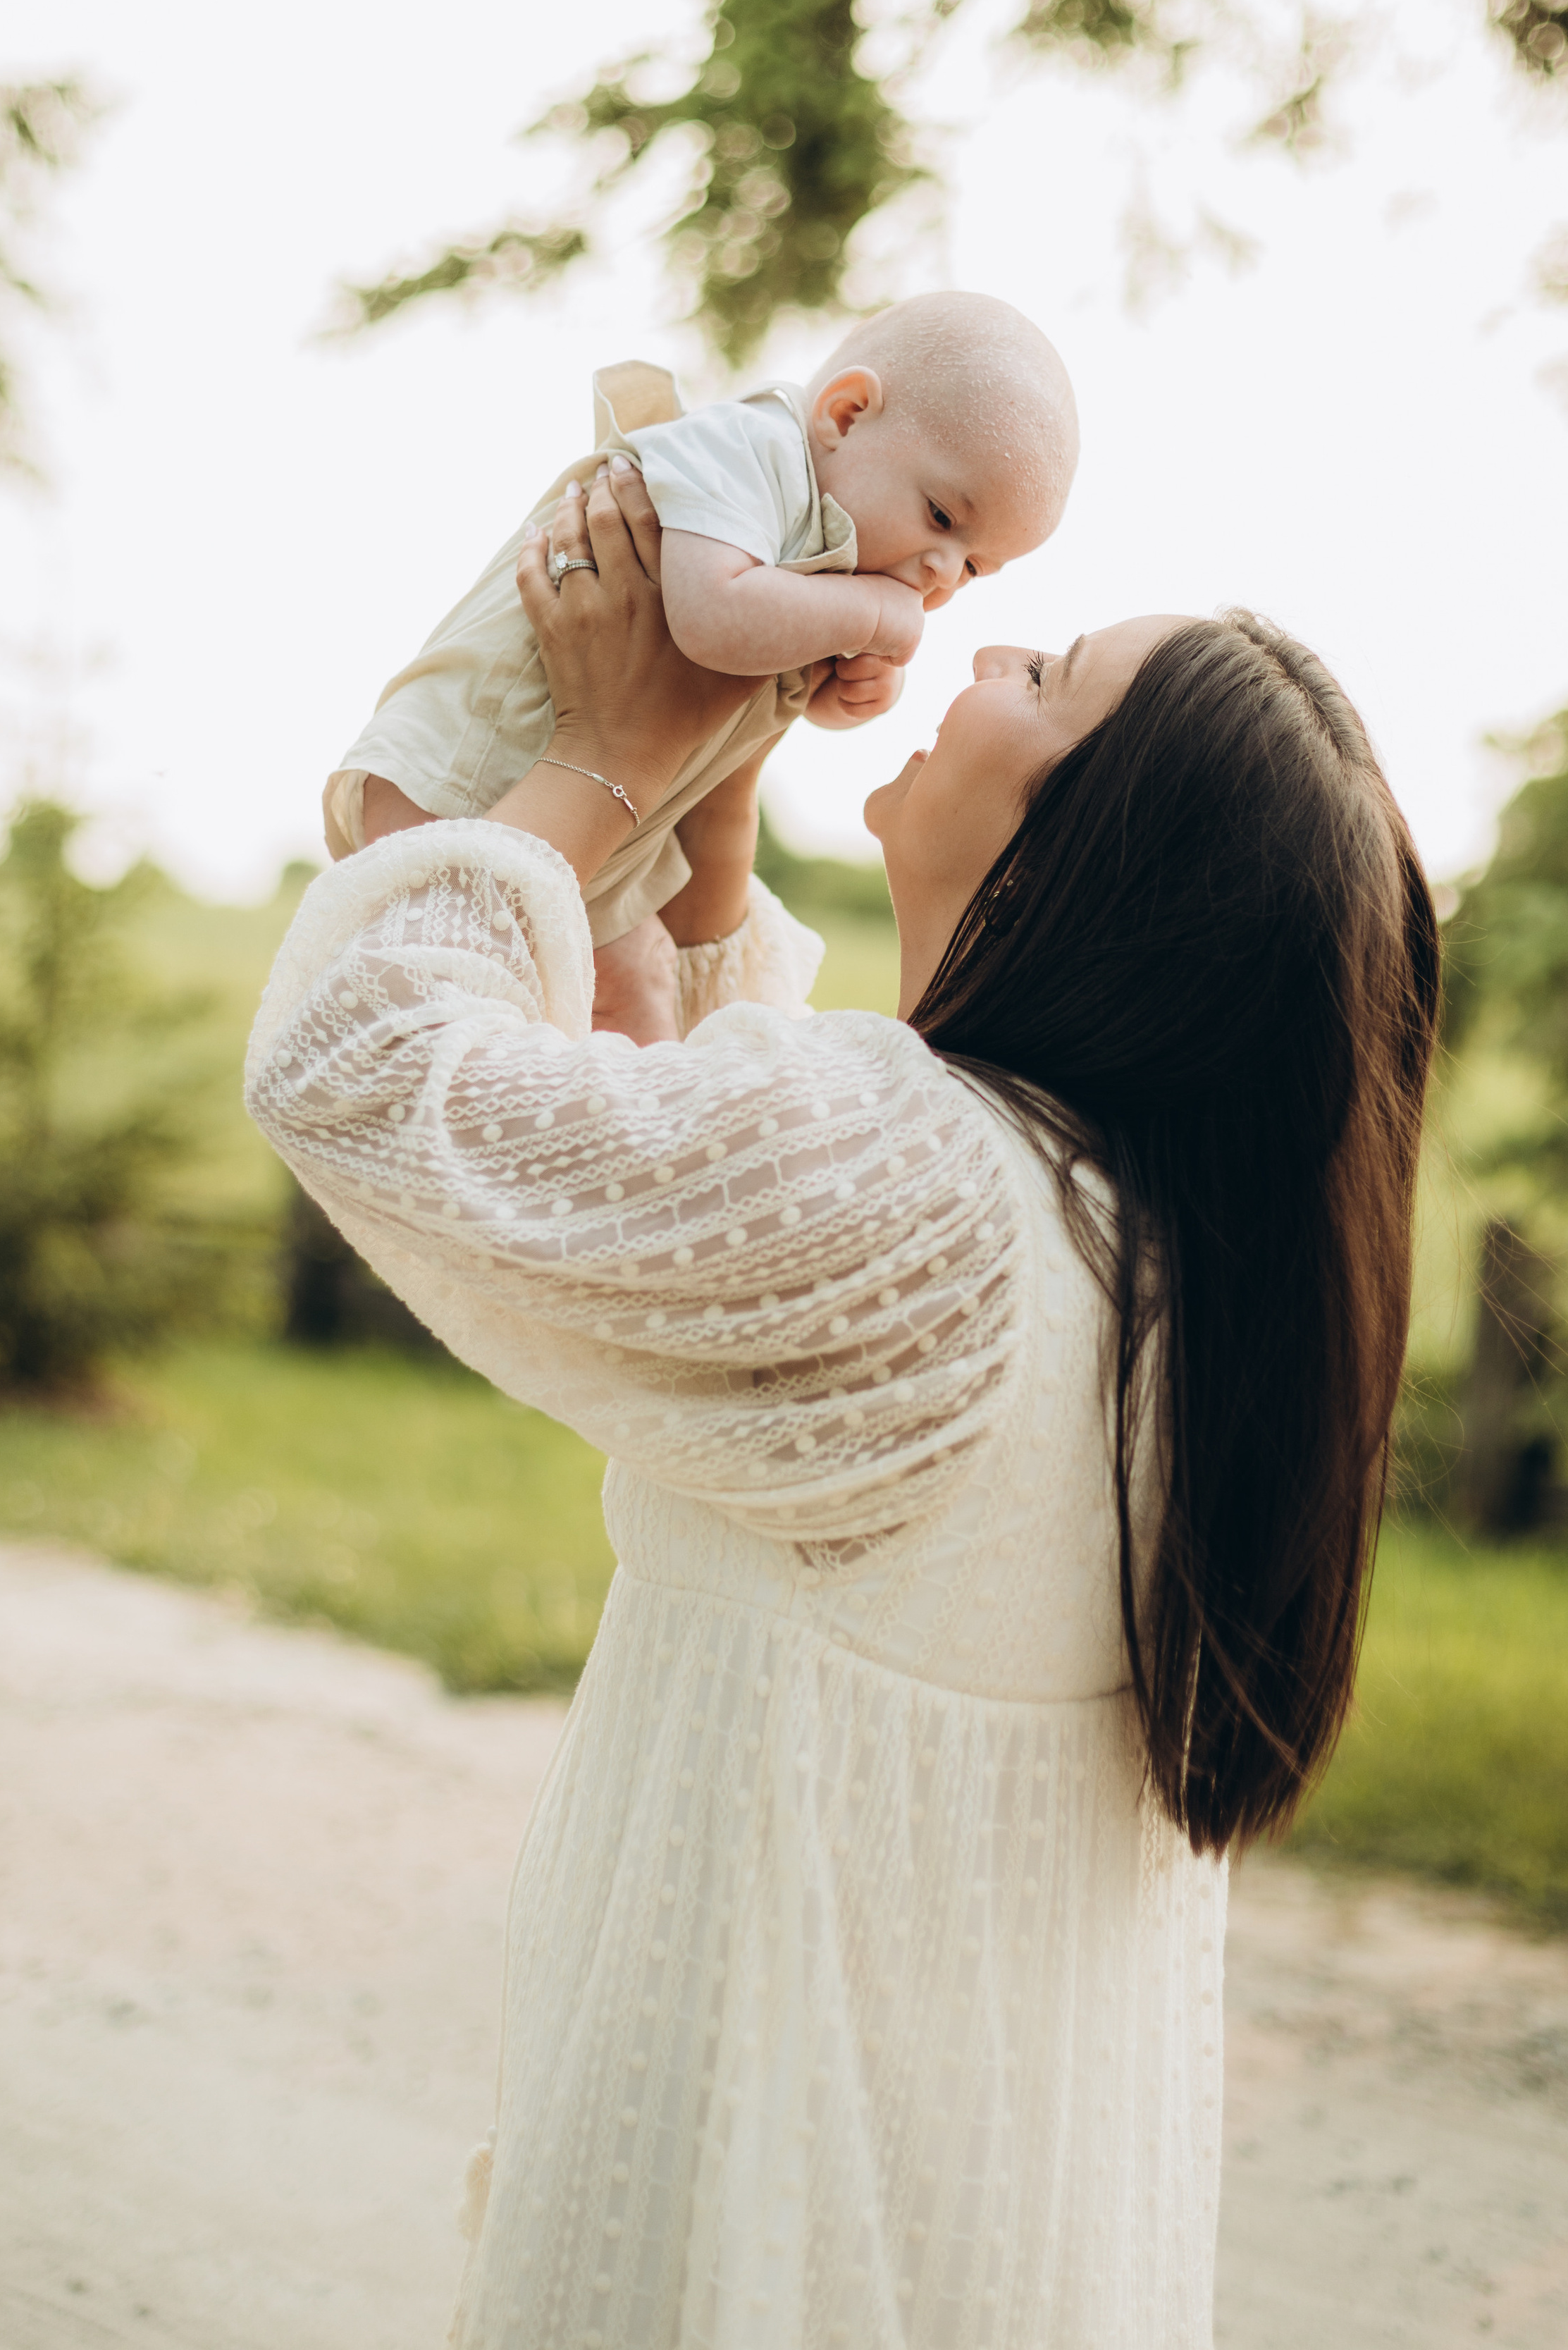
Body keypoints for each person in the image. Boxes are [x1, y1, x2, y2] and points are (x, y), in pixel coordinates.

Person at [247, 462, 1438, 2349]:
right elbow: (725, 1179)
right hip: (949, 2217)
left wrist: (606, 761)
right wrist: (710, 850)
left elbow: (371, 1072)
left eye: (1044, 674)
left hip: (749, 2218)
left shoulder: (929, 1201)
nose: (977, 657)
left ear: (1090, 858)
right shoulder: (1139, 1258)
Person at [320, 293, 1079, 1043]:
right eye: (942, 519)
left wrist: (847, 691)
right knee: (415, 992)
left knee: (646, 997)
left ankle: (642, 1148)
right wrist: (875, 617)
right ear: (845, 415)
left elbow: (755, 690)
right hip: (468, 766)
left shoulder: (832, 547)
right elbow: (711, 621)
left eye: (975, 567)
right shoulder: (749, 451)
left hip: (605, 837)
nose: (941, 574)